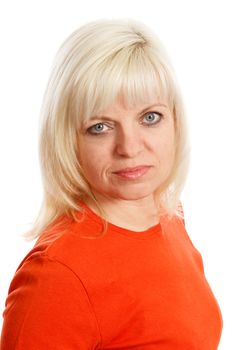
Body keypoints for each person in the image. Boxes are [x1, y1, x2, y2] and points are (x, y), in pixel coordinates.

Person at [0, 19, 222, 349]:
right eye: (100, 127)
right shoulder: (56, 275)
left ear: (175, 120)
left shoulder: (168, 215)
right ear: (67, 139)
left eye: (150, 117)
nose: (129, 147)